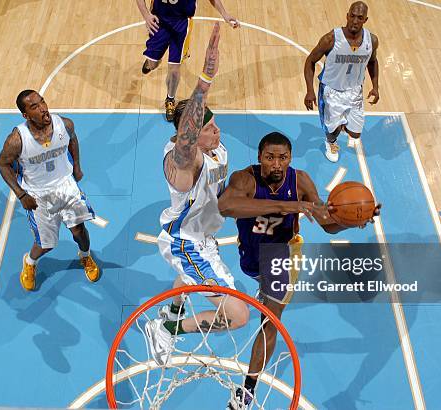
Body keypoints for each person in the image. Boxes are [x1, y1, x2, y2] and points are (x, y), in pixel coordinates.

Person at [218, 132, 380, 408]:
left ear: (290, 158)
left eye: (283, 158)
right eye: (270, 158)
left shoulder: (300, 180)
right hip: (251, 256)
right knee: (259, 286)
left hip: (283, 255)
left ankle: (247, 390)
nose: (277, 165)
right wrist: (287, 206)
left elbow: (326, 223)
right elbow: (226, 206)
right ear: (260, 158)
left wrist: (350, 221)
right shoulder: (244, 179)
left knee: (270, 319)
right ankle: (264, 290)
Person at [145, 23, 251, 366]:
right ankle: (167, 327)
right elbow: (188, 137)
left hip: (204, 238)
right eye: (207, 128)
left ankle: (172, 307)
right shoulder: (179, 162)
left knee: (189, 277)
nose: (217, 130)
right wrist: (204, 81)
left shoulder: (218, 150)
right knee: (238, 314)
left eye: (215, 123)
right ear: (188, 134)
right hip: (184, 242)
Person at [0, 90, 100, 291]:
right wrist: (21, 194)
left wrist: (77, 166)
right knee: (46, 244)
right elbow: (3, 165)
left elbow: (72, 140)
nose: (43, 108)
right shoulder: (17, 140)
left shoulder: (65, 124)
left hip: (66, 186)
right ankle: (30, 262)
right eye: (34, 106)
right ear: (25, 115)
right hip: (38, 195)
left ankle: (85, 256)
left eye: (42, 101)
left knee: (79, 230)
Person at [136, 0, 239, 122]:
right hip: (160, 21)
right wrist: (146, 15)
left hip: (182, 23)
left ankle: (170, 99)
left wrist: (225, 14)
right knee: (153, 64)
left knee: (174, 69)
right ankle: (151, 63)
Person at [303, 1, 379, 162]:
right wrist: (309, 91)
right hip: (331, 91)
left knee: (355, 134)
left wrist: (375, 86)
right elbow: (310, 61)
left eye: (360, 17)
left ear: (365, 20)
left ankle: (341, 122)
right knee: (333, 131)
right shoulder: (331, 38)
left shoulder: (371, 41)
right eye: (352, 16)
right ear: (347, 16)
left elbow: (372, 62)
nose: (355, 20)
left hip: (355, 91)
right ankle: (330, 141)